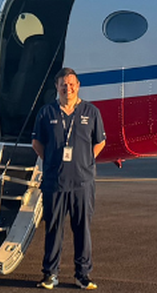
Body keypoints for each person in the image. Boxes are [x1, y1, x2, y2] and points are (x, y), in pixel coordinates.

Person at [32, 68, 105, 290]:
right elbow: (37, 144)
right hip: (55, 182)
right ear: (57, 86)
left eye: (72, 84)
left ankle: (82, 275)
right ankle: (50, 274)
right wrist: (54, 162)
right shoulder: (47, 113)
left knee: (82, 228)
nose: (68, 88)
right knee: (53, 229)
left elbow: (99, 142)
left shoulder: (91, 112)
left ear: (78, 85)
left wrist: (84, 163)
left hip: (82, 183)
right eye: (64, 84)